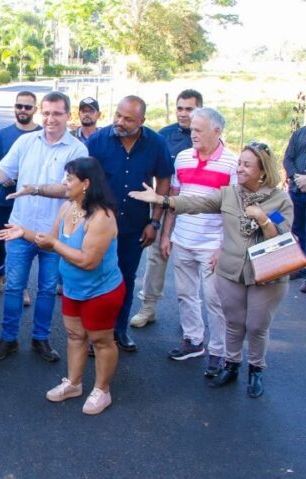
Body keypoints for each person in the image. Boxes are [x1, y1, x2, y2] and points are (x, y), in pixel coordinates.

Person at [129, 142, 293, 398]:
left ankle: (256, 370)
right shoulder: (230, 194)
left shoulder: (280, 200)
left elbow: (280, 237)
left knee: (257, 325)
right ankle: (232, 365)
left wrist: (262, 218)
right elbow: (197, 203)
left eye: (247, 165)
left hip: (266, 274)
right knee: (234, 322)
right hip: (232, 270)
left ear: (263, 171)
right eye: (240, 163)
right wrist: (162, 200)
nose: (239, 168)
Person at [0, 91, 88, 363]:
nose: (50, 119)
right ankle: (8, 339)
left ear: (68, 116)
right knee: (13, 288)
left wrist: (35, 189)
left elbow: (70, 189)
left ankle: (41, 339)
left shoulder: (77, 149)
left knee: (47, 289)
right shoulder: (25, 142)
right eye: (45, 113)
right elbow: (6, 170)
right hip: (20, 229)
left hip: (55, 234)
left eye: (57, 113)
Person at [0, 157, 123, 415]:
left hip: (100, 291)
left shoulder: (102, 217)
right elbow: (50, 240)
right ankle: (74, 384)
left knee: (101, 341)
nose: (64, 183)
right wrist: (25, 233)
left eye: (69, 179)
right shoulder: (68, 207)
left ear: (86, 183)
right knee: (75, 336)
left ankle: (102, 390)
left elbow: (88, 261)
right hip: (73, 289)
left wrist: (54, 245)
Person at [85, 95, 173, 352]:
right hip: (99, 226)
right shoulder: (98, 140)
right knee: (97, 279)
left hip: (135, 226)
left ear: (142, 121)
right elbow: (83, 179)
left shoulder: (156, 143)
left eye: (128, 119)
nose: (120, 122)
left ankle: (118, 331)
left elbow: (164, 180)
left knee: (125, 279)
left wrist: (154, 223)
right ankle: (96, 336)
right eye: (118, 115)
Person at [162, 108, 237, 376]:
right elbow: (174, 198)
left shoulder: (231, 164)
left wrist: (223, 247)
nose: (192, 134)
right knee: (185, 294)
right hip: (183, 239)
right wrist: (167, 235)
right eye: (192, 129)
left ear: (217, 131)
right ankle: (193, 341)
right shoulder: (182, 158)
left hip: (212, 245)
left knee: (215, 300)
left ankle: (219, 351)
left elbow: (233, 210)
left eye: (198, 130)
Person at [131, 89, 203, 328]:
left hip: (195, 210)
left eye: (189, 109)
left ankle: (191, 320)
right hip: (163, 206)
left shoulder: (206, 138)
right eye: (180, 108)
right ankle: (148, 307)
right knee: (156, 258)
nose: (183, 114)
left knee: (191, 264)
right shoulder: (164, 136)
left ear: (199, 110)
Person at [0, 91, 41, 305]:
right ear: (15, 108)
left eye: (28, 107)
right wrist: (1, 175)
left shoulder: (41, 134)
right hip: (2, 199)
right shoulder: (1, 134)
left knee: (23, 246)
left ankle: (21, 286)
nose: (23, 111)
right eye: (20, 106)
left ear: (35, 109)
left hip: (29, 202)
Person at [282, 125, 306, 293]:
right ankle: (299, 266)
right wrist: (296, 177)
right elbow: (287, 159)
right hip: (297, 191)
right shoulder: (300, 133)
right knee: (296, 230)